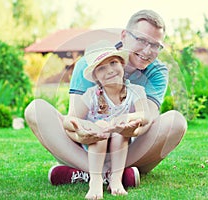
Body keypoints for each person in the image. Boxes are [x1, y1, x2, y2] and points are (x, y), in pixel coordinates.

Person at [25, 8, 187, 193]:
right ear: (125, 36)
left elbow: (148, 117)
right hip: (89, 145)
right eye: (141, 40)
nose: (147, 50)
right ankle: (108, 173)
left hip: (128, 146)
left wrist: (129, 126)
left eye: (155, 45)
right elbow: (74, 120)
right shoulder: (89, 63)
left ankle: (88, 173)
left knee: (177, 122)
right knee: (35, 109)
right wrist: (82, 134)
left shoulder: (156, 72)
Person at [63, 40, 150, 199]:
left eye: (113, 63)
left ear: (122, 64)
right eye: (101, 68)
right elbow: (69, 120)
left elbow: (145, 115)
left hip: (120, 147)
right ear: (95, 76)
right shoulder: (91, 95)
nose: (109, 70)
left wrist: (127, 118)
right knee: (101, 125)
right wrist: (82, 125)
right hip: (95, 147)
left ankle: (116, 180)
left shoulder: (136, 91)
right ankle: (95, 180)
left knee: (119, 131)